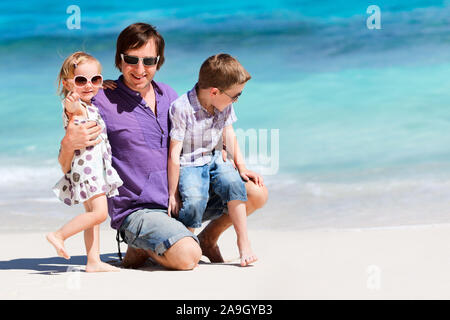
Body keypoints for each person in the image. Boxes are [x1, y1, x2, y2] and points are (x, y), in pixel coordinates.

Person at [58, 22, 268, 271]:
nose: (139, 69)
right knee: (188, 257)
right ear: (119, 59)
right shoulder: (99, 99)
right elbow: (72, 166)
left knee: (254, 193)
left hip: (177, 200)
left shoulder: (169, 95)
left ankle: (207, 238)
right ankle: (144, 244)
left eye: (148, 62)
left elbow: (198, 131)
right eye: (131, 60)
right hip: (137, 210)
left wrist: (228, 156)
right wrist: (69, 142)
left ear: (158, 62)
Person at [168, 53, 261, 267]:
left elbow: (229, 134)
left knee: (234, 183)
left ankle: (243, 242)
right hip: (189, 162)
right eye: (235, 96)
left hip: (214, 156)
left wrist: (242, 167)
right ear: (214, 92)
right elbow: (174, 154)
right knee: (194, 202)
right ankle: (184, 247)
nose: (236, 100)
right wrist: (172, 193)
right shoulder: (181, 108)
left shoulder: (224, 103)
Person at [46, 51, 122, 272]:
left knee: (92, 216)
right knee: (99, 214)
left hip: (90, 168)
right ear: (67, 84)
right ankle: (59, 235)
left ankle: (93, 261)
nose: (89, 85)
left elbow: (89, 91)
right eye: (81, 80)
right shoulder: (75, 106)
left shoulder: (88, 101)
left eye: (95, 79)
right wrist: (75, 107)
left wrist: (99, 85)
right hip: (89, 169)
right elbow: (75, 115)